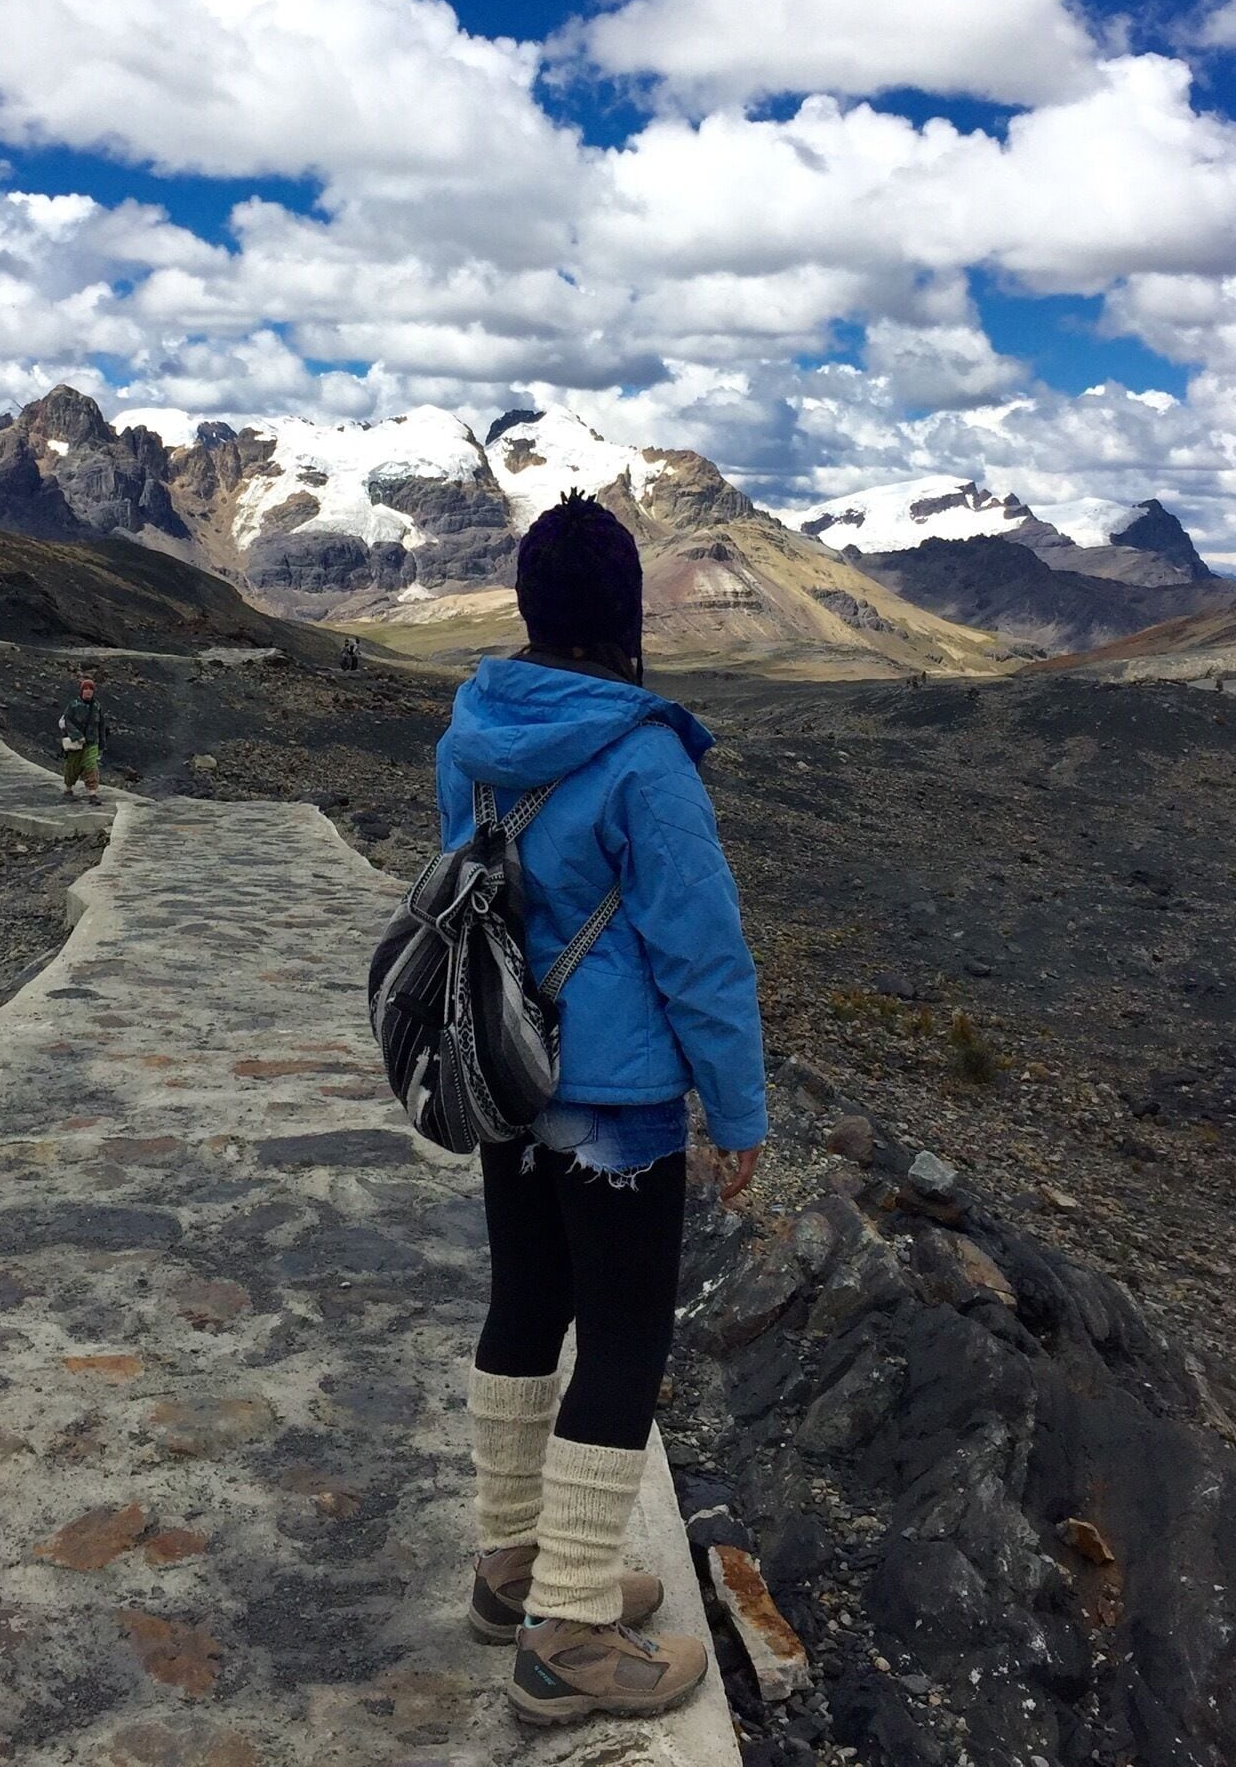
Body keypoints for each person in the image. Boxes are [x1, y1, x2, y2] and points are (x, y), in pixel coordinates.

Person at [439, 491, 766, 1727]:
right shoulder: (642, 755)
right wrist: (737, 1110)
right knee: (625, 1341)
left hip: (508, 1071)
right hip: (617, 1097)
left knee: (524, 1307)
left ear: (528, 604)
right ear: (624, 614)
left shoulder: (467, 731)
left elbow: (474, 891)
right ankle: (568, 1635)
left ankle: (512, 1564)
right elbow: (701, 948)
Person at [59, 674, 109, 798]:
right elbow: (67, 721)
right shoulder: (73, 705)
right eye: (86, 689)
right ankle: (68, 788)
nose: (88, 691)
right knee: (73, 766)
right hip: (76, 743)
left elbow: (101, 725)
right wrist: (77, 735)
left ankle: (92, 793)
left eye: (90, 689)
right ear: (82, 691)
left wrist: (102, 744)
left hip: (92, 741)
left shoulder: (97, 706)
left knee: (91, 765)